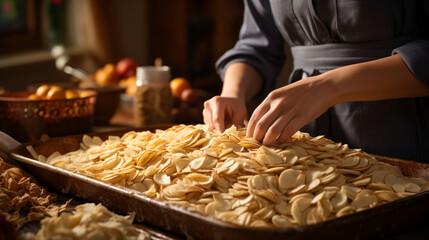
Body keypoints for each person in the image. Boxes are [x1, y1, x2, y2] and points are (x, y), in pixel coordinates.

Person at [203, 0, 429, 163]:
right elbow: (256, 47)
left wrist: (329, 86)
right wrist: (233, 93)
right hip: (301, 139)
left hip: (405, 130)